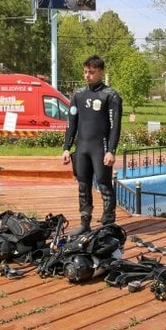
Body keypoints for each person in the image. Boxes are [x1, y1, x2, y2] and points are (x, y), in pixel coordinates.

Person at [61, 55, 123, 236]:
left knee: (104, 185)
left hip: (100, 148)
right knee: (83, 186)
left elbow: (115, 127)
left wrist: (111, 150)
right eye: (85, 72)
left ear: (101, 73)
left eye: (92, 72)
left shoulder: (110, 96)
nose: (87, 75)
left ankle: (107, 224)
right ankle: (84, 222)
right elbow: (71, 124)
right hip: (82, 148)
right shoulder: (78, 95)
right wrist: (66, 147)